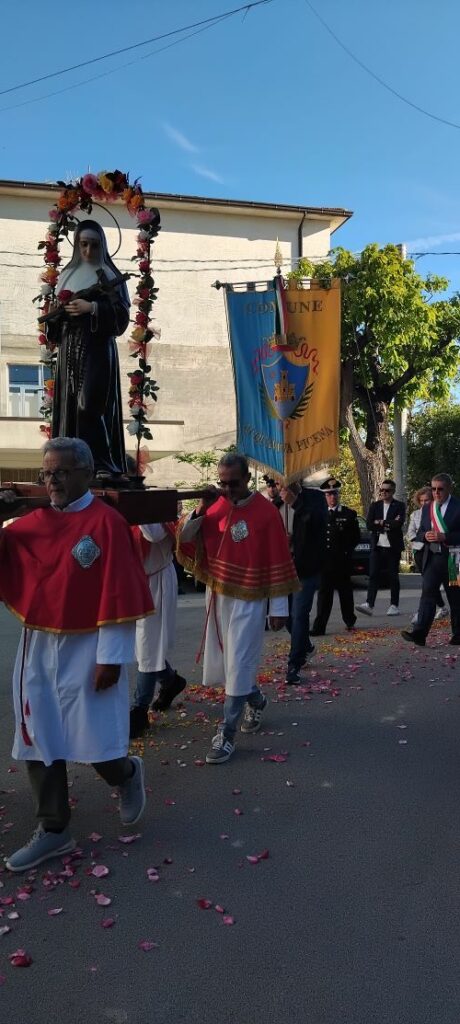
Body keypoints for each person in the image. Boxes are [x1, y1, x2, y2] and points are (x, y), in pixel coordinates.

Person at [0, 438, 153, 872]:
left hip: (90, 646)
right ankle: (54, 829)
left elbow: (120, 592)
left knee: (96, 740)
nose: (53, 481)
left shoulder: (107, 524)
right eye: (47, 473)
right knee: (38, 736)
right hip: (39, 646)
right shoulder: (33, 522)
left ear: (86, 473)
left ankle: (126, 774)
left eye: (62, 472)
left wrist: (112, 657)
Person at [176, 453, 298, 764]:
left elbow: (277, 558)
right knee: (229, 664)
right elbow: (185, 537)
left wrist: (278, 607)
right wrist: (201, 507)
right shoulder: (215, 505)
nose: (228, 489)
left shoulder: (267, 512)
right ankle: (255, 700)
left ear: (247, 478)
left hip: (251, 598)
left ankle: (226, 734)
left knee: (240, 662)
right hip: (218, 594)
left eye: (234, 483)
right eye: (223, 483)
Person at [47, 220, 130, 477]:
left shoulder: (109, 275)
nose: (88, 250)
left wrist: (92, 308)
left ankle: (101, 464)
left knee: (89, 406)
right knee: (69, 407)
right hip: (69, 347)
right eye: (83, 244)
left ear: (102, 245)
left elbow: (121, 317)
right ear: (76, 245)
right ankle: (68, 465)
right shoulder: (67, 275)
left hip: (96, 348)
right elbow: (54, 323)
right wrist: (57, 314)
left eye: (94, 245)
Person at [130, 519, 186, 739]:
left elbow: (153, 534)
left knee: (148, 646)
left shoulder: (158, 510)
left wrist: (136, 506)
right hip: (134, 581)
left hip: (156, 582)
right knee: (143, 646)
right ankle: (171, 681)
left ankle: (139, 708)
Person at [402, 473, 460, 647]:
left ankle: (458, 634)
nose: (436, 492)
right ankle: (419, 634)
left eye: (440, 489)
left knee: (455, 597)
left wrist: (446, 537)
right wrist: (425, 536)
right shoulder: (428, 508)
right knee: (427, 594)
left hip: (454, 559)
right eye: (433, 489)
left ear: (449, 488)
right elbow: (420, 531)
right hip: (433, 558)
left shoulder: (457, 507)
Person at [280, 481, 327, 685]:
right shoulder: (275, 502)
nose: (282, 484)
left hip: (306, 568)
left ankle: (294, 664)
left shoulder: (315, 498)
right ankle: (306, 646)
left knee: (299, 614)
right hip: (282, 568)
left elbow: (318, 522)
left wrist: (296, 503)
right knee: (286, 617)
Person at [310, 477, 360, 635]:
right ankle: (319, 627)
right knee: (324, 595)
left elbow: (355, 537)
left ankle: (349, 620)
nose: (332, 497)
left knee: (345, 593)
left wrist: (346, 552)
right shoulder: (319, 514)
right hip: (325, 562)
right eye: (329, 494)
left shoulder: (348, 514)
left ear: (338, 495)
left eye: (335, 494)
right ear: (324, 496)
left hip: (342, 561)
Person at [356, 479, 405, 617]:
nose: (383, 492)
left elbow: (398, 523)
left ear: (393, 491)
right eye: (381, 490)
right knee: (373, 575)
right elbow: (369, 525)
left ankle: (394, 605)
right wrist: (386, 524)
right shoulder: (375, 506)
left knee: (392, 576)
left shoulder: (399, 506)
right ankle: (369, 604)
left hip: (393, 547)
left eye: (387, 490)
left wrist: (381, 522)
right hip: (377, 546)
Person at [406, 486, 447, 625]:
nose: (424, 503)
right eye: (421, 501)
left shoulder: (439, 512)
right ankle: (441, 607)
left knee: (430, 583)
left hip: (435, 550)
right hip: (420, 550)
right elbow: (410, 533)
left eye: (427, 500)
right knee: (428, 583)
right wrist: (422, 537)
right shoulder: (415, 515)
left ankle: (423, 612)